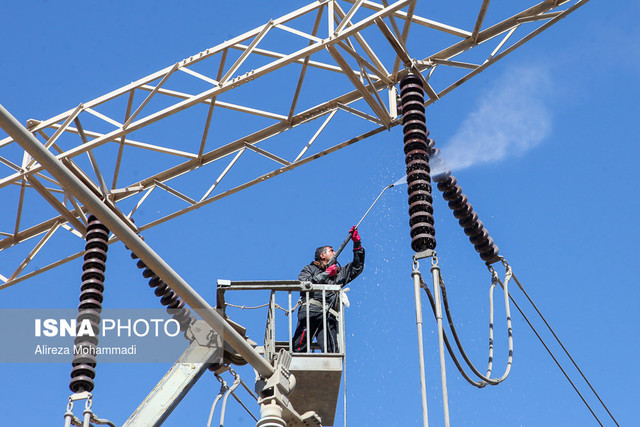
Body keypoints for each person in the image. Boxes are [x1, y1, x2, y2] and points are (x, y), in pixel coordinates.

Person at [292, 226, 365, 353]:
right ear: (322, 255)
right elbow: (304, 283)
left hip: (328, 314)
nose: (334, 252)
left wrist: (357, 244)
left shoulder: (338, 273)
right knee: (299, 346)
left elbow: (357, 267)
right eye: (331, 251)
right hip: (311, 311)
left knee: (331, 350)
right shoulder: (309, 269)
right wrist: (325, 274)